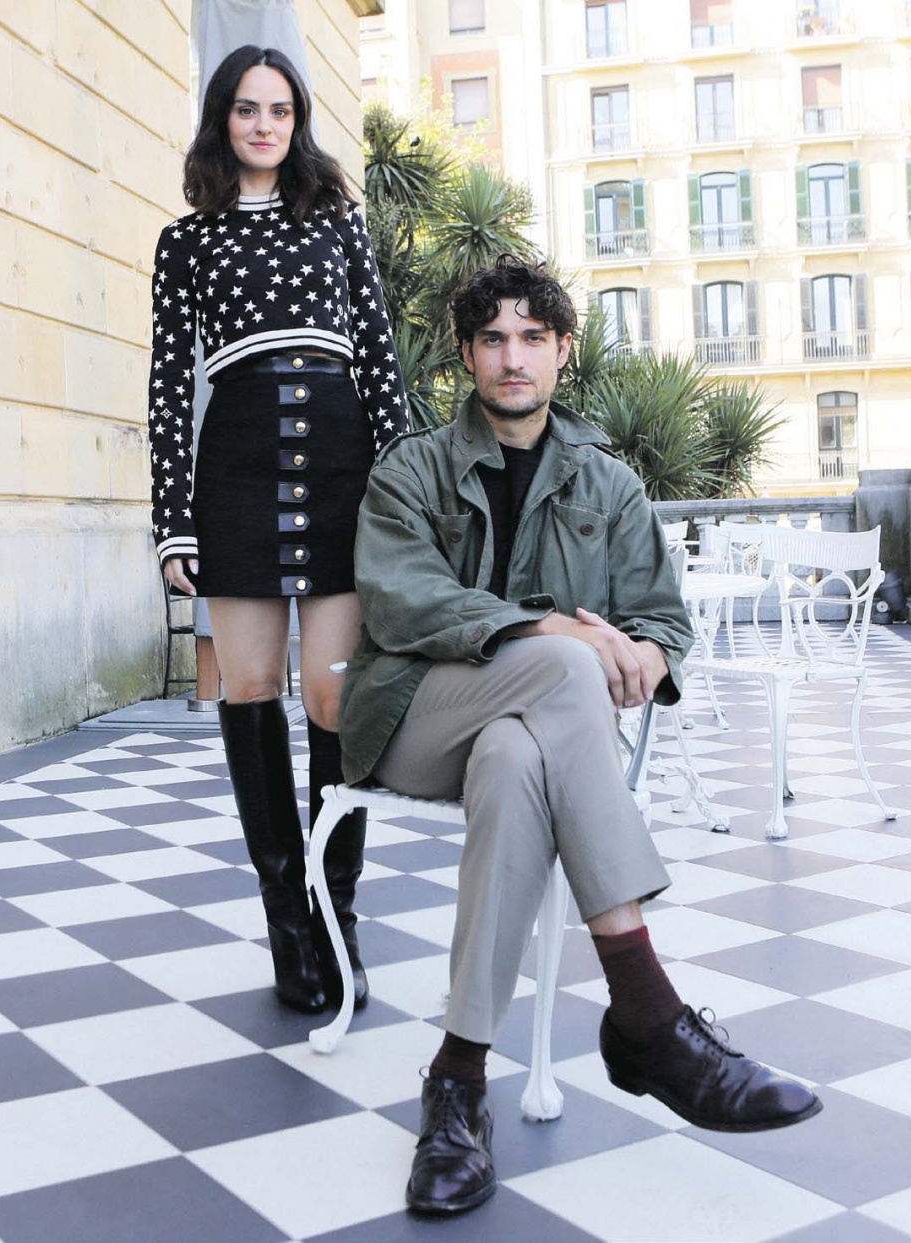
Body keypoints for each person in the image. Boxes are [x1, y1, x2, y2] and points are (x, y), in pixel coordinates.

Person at [338, 256, 822, 1215]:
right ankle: (646, 1012)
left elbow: (662, 619)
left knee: (518, 755)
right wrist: (557, 629)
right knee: (563, 664)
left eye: (532, 338)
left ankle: (457, 1080)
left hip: (519, 736)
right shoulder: (411, 468)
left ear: (563, 350)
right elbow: (401, 603)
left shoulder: (609, 481)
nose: (512, 358)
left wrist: (644, 651)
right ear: (467, 355)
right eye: (492, 339)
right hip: (412, 715)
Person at [146, 45, 407, 1016]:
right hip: (238, 471)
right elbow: (168, 387)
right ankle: (287, 931)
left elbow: (379, 359)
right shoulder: (186, 241)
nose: (264, 125)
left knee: (336, 703)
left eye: (281, 110)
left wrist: (404, 492)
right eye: (248, 109)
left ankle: (338, 919)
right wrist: (173, 519)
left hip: (341, 468)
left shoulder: (338, 222)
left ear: (298, 123)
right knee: (251, 690)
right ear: (223, 119)